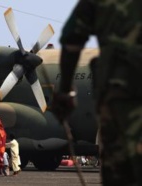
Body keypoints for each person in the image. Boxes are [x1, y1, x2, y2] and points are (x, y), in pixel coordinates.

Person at [52, 1, 142, 186]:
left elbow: (72, 41)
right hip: (118, 94)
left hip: (117, 93)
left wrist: (65, 92)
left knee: (119, 167)